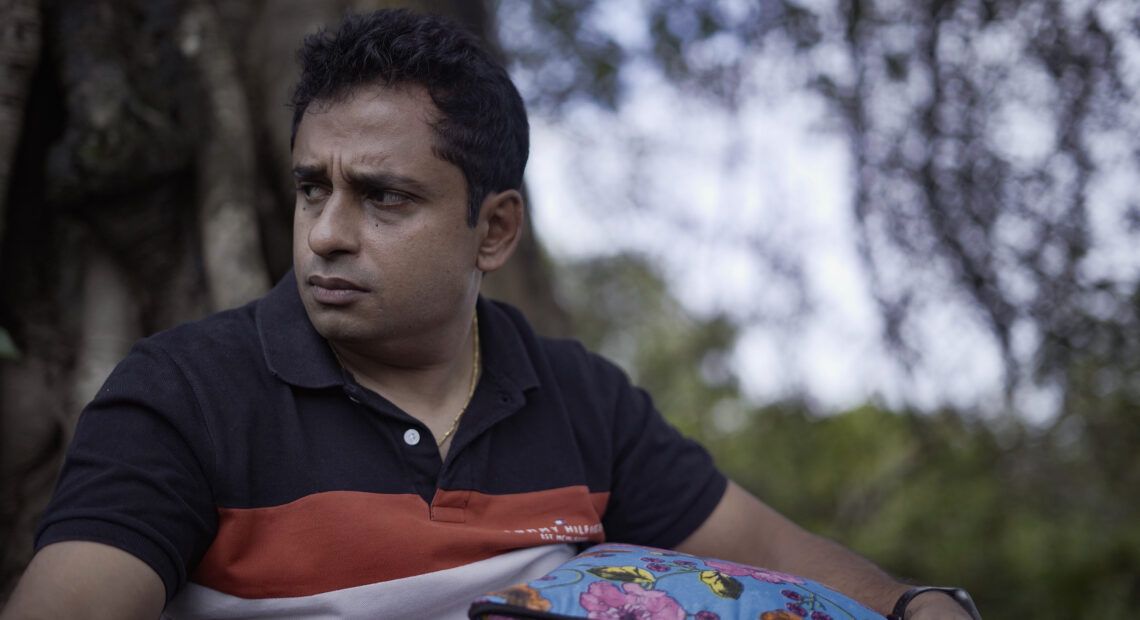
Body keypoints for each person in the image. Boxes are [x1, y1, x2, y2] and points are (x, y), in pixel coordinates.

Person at [1, 9, 978, 620]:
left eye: (383, 197)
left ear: (495, 229)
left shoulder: (579, 399)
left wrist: (921, 604)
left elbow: (782, 562)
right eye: (311, 189)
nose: (327, 234)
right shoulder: (184, 393)